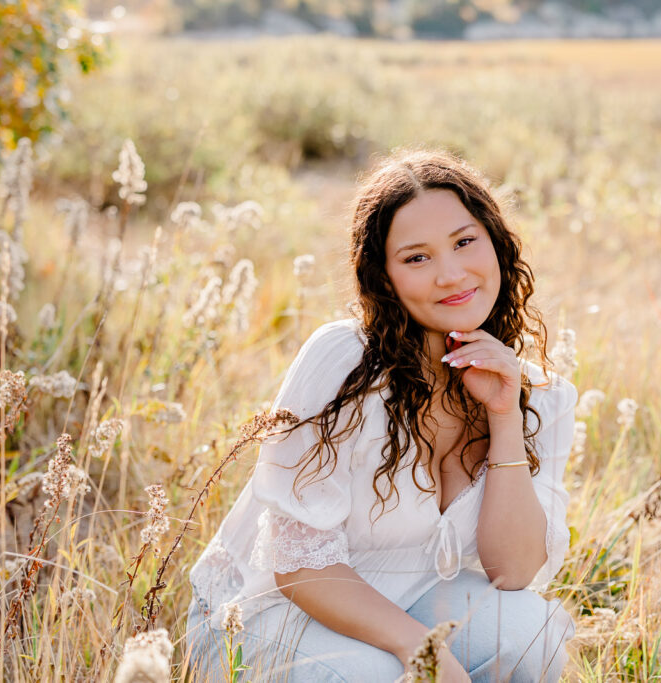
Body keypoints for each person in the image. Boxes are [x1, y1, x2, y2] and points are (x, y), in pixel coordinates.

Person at [186, 149, 578, 682]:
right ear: (384, 277)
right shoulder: (343, 362)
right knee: (379, 676)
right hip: (266, 612)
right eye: (417, 258)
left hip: (414, 596)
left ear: (496, 244)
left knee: (529, 634)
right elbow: (299, 565)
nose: (451, 274)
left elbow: (514, 571)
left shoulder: (541, 395)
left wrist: (504, 415)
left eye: (465, 242)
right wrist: (424, 650)